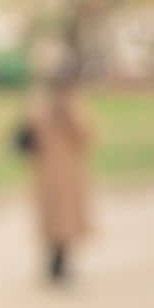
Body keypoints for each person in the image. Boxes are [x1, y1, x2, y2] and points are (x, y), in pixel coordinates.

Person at [18, 67, 95, 285]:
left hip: (65, 172)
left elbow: (85, 136)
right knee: (52, 220)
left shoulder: (70, 107)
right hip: (48, 172)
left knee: (65, 221)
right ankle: (54, 262)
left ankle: (61, 263)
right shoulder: (39, 107)